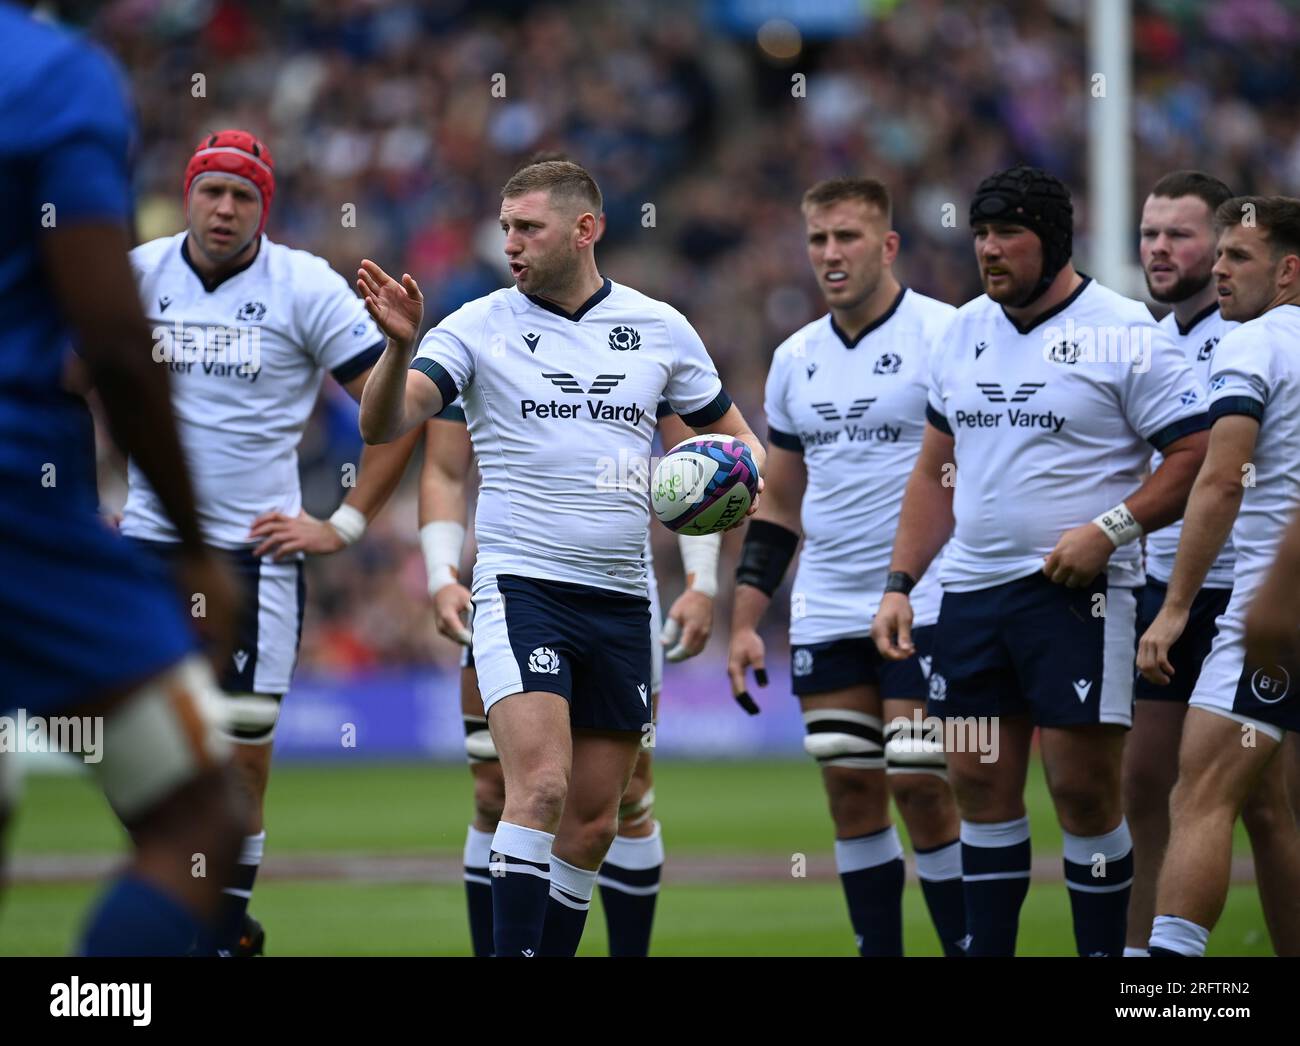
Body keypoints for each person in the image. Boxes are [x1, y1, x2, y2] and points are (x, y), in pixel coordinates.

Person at [357, 158, 764, 957]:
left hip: (624, 600)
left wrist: (720, 490)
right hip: (522, 588)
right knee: (534, 789)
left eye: (527, 228)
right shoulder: (474, 326)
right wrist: (395, 350)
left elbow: (741, 448)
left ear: (586, 230)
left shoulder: (660, 328)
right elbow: (383, 426)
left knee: (590, 825)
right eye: (505, 227)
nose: (509, 242)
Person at [873, 165, 1209, 956]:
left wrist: (1112, 528)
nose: (988, 249)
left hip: (1079, 597)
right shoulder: (962, 331)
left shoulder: (1125, 330)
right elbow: (934, 469)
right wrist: (900, 582)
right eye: (981, 233)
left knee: (1084, 791)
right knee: (980, 783)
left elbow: (1195, 453)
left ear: (1052, 241)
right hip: (972, 598)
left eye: (1007, 234)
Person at [118, 129, 422, 956]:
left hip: (258, 558)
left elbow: (395, 419)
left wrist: (345, 521)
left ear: (264, 208)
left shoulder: (305, 287)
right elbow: (75, 382)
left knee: (244, 758)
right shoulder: (138, 274)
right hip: (148, 547)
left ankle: (216, 935)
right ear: (188, 193)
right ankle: (212, 918)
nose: (224, 208)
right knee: (129, 748)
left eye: (242, 196)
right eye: (211, 191)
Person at [0, 3, 244, 955]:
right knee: (198, 822)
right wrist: (191, 545)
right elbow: (115, 342)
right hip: (18, 499)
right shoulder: (49, 74)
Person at [726, 177, 966, 956]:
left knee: (922, 780)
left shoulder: (951, 334)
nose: (831, 254)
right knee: (851, 786)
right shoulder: (795, 357)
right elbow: (780, 503)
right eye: (819, 240)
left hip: (931, 597)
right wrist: (745, 620)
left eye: (848, 238)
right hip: (828, 603)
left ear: (888, 245)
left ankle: (968, 945)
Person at [422, 404, 719, 955]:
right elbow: (443, 466)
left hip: (619, 587)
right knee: (497, 789)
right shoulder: (479, 328)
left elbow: (696, 457)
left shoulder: (645, 328)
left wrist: (702, 580)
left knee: (624, 797)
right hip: (513, 585)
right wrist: (440, 573)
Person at [1126, 170, 1299, 956]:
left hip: (1269, 612)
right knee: (1269, 807)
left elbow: (1221, 478)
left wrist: (1173, 607)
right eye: (1219, 253)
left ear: (1289, 270)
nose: (1221, 270)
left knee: (1197, 794)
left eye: (1240, 255)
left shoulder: (1251, 343)